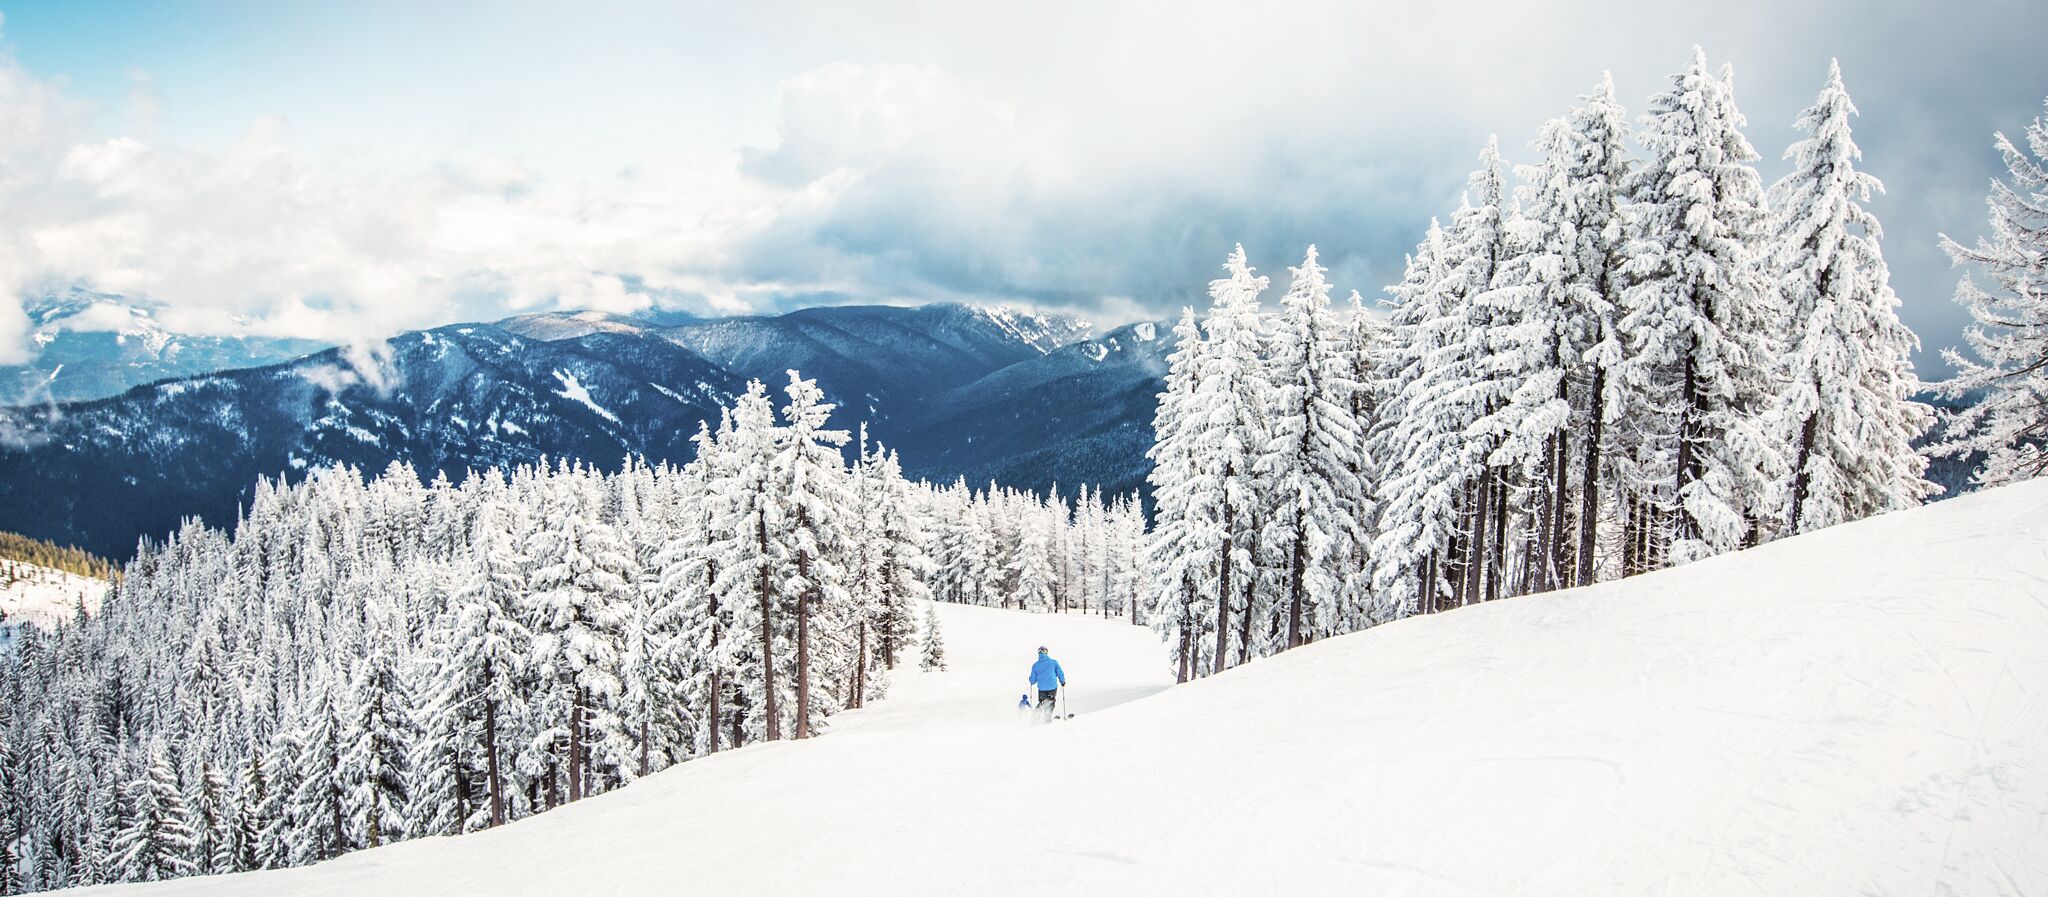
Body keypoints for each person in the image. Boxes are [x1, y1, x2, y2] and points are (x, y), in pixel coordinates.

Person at [1028, 646, 1065, 721]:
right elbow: (1060, 673)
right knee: (1051, 702)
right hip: (1052, 687)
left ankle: (1035, 717)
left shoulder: (1035, 665)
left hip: (1042, 688)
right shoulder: (1053, 662)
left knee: (1042, 702)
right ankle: (1047, 719)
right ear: (1046, 652)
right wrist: (1062, 681)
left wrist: (1031, 680)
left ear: (1039, 653)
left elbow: (1032, 681)